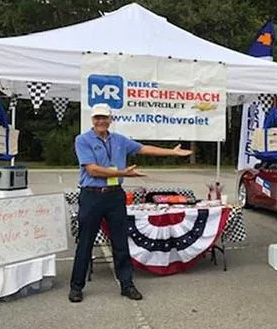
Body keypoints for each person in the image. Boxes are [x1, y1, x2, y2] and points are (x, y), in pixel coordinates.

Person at [69, 103, 192, 303]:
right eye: (97, 118)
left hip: (114, 195)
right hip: (92, 195)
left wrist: (172, 152)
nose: (101, 121)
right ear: (92, 120)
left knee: (120, 241)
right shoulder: (82, 140)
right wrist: (123, 173)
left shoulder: (119, 140)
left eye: (104, 118)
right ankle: (76, 287)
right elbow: (92, 170)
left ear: (110, 119)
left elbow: (144, 148)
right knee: (85, 242)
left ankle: (127, 284)